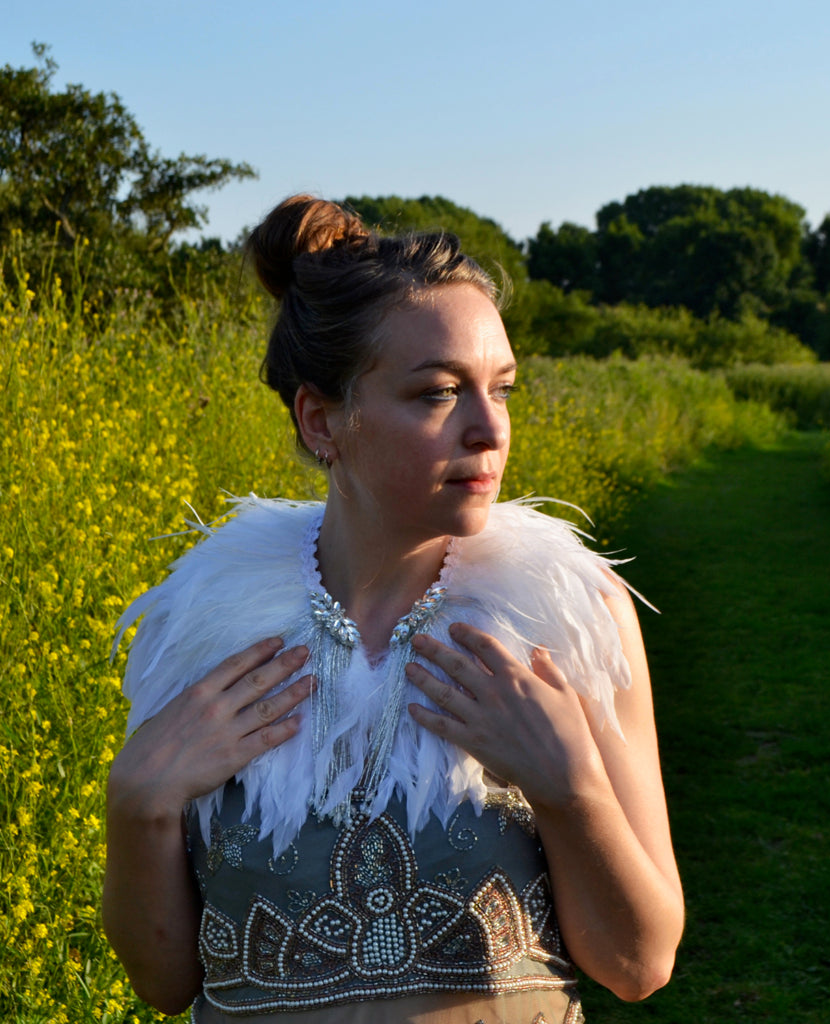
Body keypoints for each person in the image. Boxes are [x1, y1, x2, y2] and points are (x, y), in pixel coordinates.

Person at [103, 195, 683, 1023]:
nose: (490, 430)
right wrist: (138, 803)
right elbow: (165, 986)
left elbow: (639, 962)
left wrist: (571, 787)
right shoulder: (202, 624)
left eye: (503, 389)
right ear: (321, 419)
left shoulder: (567, 616)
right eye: (439, 393)